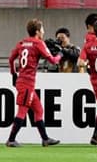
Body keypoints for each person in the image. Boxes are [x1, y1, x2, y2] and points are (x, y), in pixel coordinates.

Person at [5, 19, 61, 148]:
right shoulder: (38, 43)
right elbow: (53, 61)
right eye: (42, 29)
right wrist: (60, 55)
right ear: (37, 31)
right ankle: (11, 139)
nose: (43, 32)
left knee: (38, 109)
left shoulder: (21, 43)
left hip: (23, 82)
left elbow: (11, 58)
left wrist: (13, 74)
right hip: (27, 83)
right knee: (22, 111)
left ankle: (45, 139)